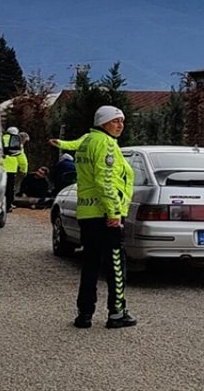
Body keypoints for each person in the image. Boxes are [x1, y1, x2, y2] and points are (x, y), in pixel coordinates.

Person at [50, 106, 137, 329]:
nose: (120, 125)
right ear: (103, 123)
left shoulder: (88, 139)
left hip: (87, 214)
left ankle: (84, 313)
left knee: (90, 264)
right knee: (116, 265)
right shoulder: (106, 144)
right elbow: (104, 181)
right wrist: (114, 212)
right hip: (105, 215)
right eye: (115, 121)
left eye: (122, 121)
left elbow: (74, 144)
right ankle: (117, 313)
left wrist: (61, 143)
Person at [1, 126, 28, 209]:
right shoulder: (16, 141)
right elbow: (21, 158)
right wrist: (24, 169)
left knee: (0, 187)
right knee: (9, 188)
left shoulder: (0, 138)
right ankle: (8, 205)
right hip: (11, 169)